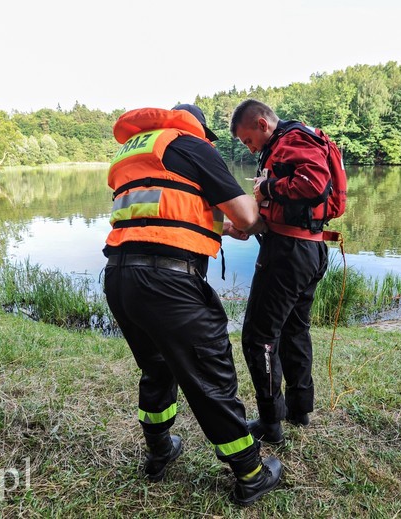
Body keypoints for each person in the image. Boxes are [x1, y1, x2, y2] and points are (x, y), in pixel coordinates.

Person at [103, 104, 281, 506]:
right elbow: (247, 215)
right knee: (211, 377)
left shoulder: (133, 152)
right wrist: (255, 212)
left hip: (119, 276)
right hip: (169, 284)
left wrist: (219, 225)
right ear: (197, 129)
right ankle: (251, 474)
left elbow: (164, 210)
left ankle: (160, 450)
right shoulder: (193, 145)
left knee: (157, 367)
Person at [230, 99, 331, 444]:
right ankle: (299, 409)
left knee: (258, 338)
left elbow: (315, 183)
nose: (249, 147)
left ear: (261, 124)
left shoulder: (290, 141)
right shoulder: (292, 141)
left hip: (288, 256)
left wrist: (266, 188)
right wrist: (254, 222)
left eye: (247, 140)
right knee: (293, 330)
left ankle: (271, 422)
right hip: (309, 249)